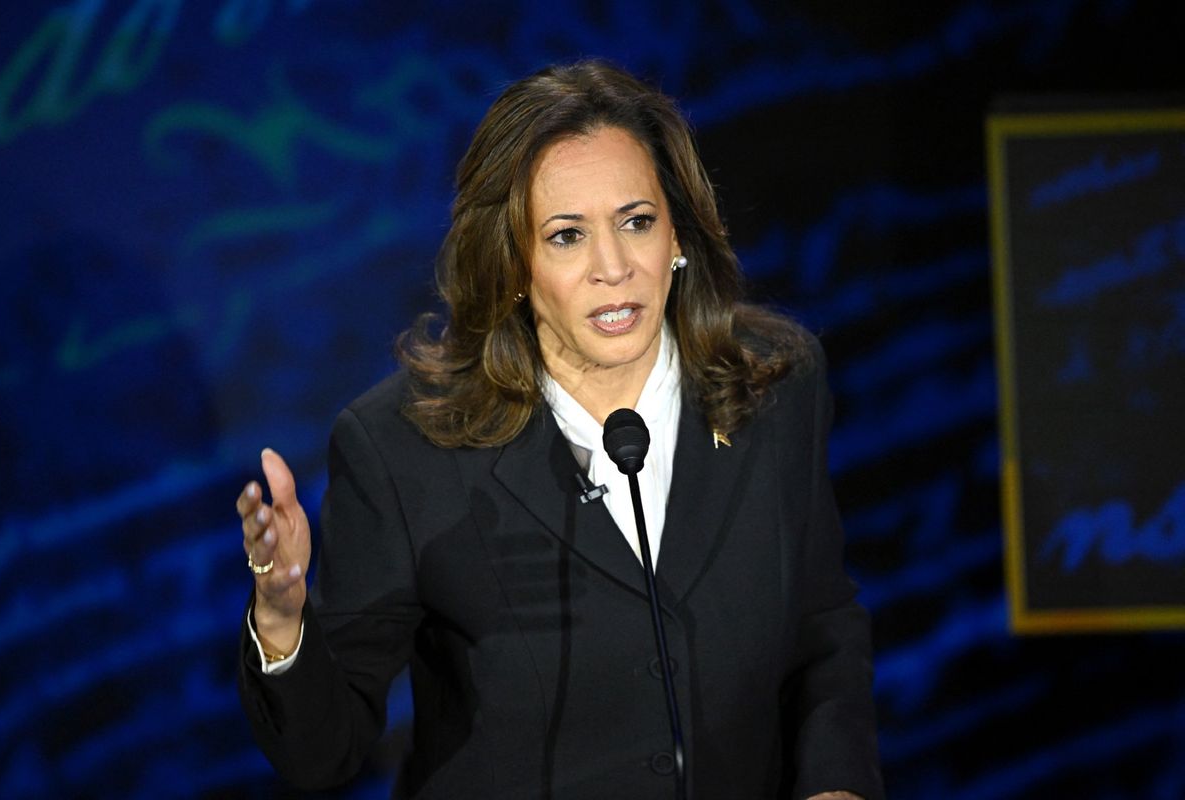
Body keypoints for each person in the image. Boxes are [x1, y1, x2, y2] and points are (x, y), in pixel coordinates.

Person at [236, 60, 883, 799]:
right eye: (567, 236)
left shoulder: (775, 385)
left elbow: (823, 622)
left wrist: (837, 786)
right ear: (513, 262)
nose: (614, 268)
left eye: (637, 222)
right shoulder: (401, 449)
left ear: (679, 232)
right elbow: (325, 754)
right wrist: (283, 624)